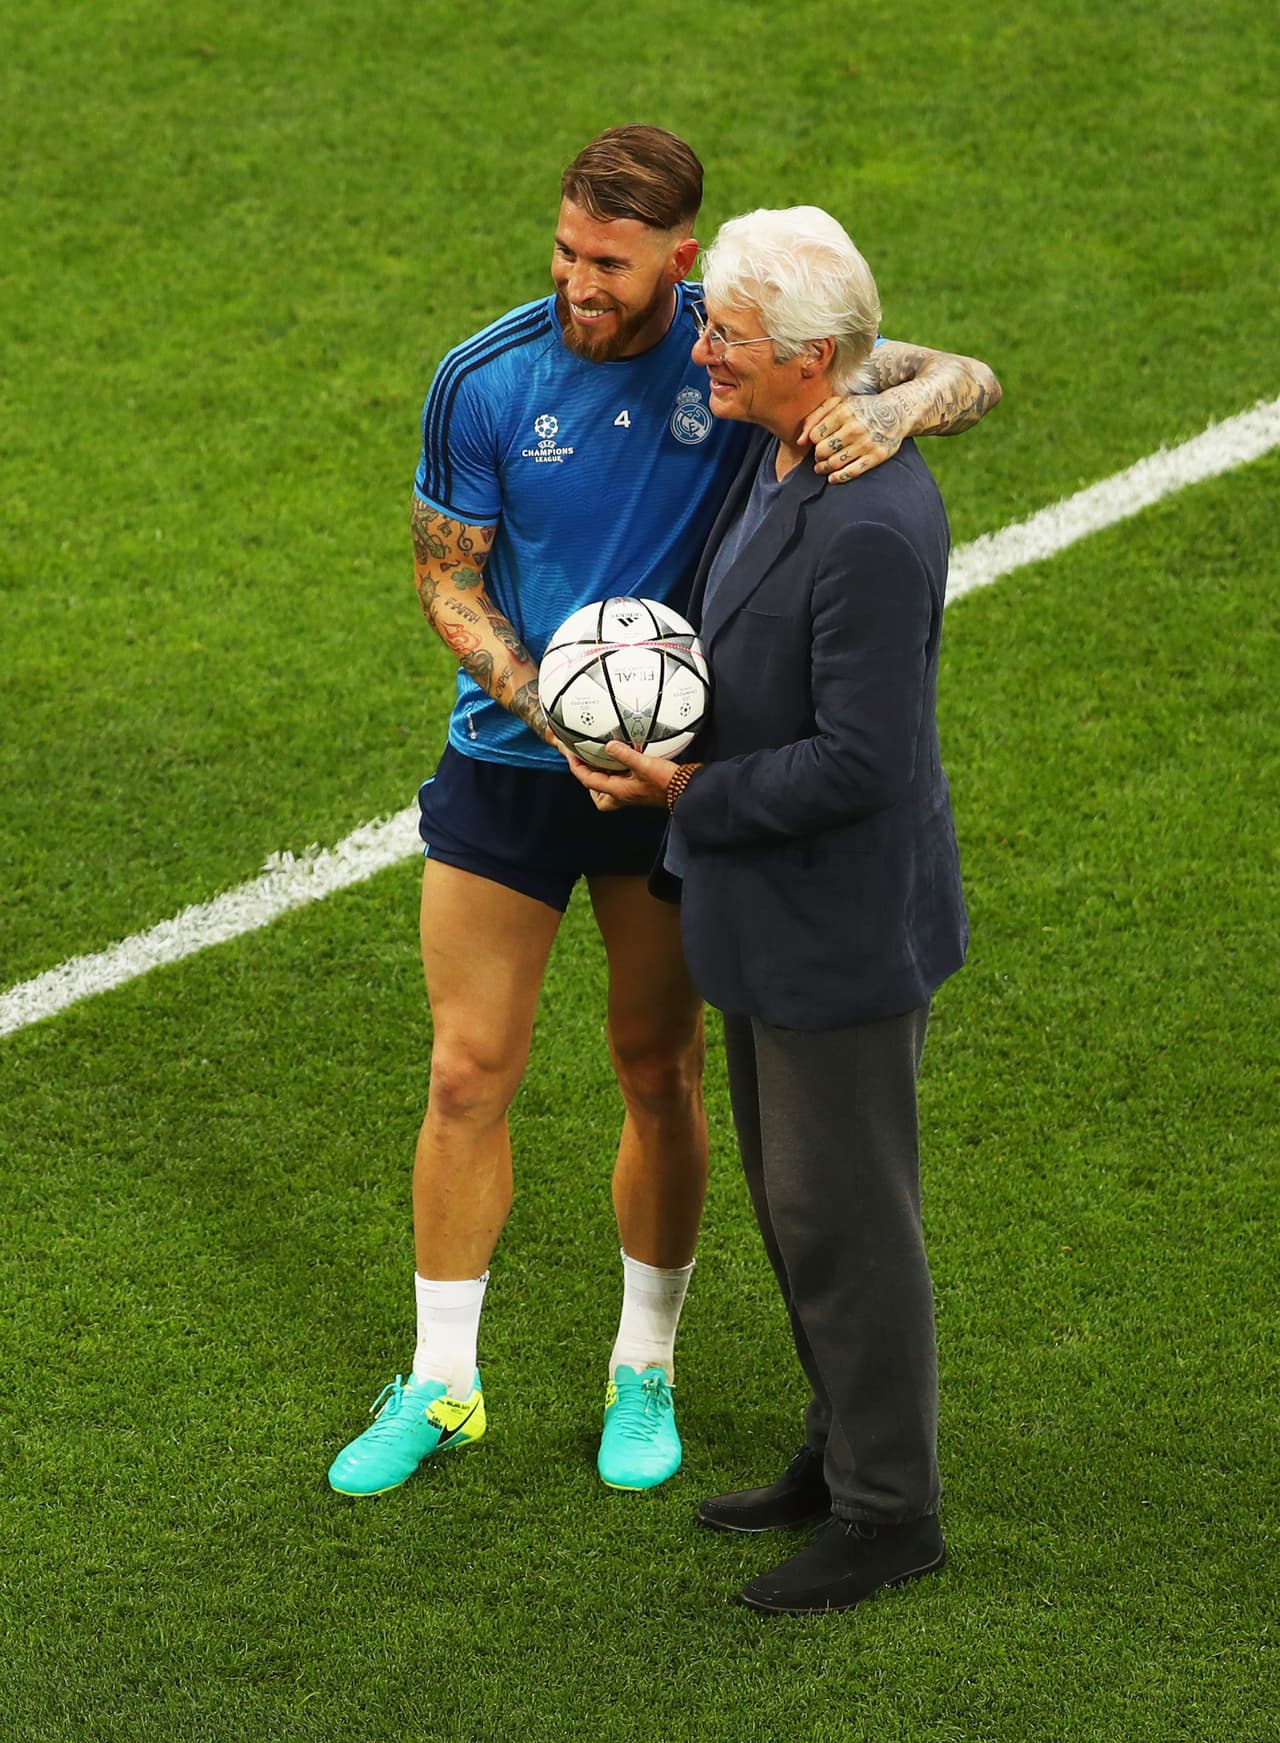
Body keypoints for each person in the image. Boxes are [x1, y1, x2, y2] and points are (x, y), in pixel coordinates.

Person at [327, 128, 998, 1500]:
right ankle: (441, 1380)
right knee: (465, 1071)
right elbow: (446, 581)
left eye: (610, 263)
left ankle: (647, 1366)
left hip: (677, 776)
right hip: (513, 760)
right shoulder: (486, 377)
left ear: (678, 261)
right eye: (568, 250)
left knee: (658, 1070)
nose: (580, 280)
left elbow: (956, 371)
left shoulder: (732, 347)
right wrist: (547, 710)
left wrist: (900, 412)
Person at [567, 206, 970, 1611]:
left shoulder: (870, 518)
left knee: (848, 1222)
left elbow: (865, 762)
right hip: (772, 918)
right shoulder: (797, 435)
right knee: (803, 1213)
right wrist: (931, 381)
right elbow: (929, 363)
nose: (704, 353)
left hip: (837, 929)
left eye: (727, 338)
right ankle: (836, 1448)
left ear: (807, 360)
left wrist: (683, 793)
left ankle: (889, 1511)